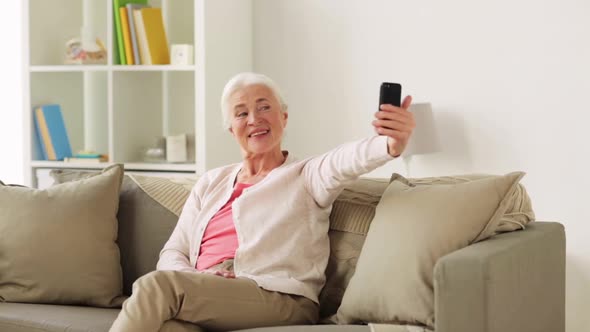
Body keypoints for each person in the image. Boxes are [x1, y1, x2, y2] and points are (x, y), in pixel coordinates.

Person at [109, 72, 415, 332]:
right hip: (204, 291)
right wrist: (196, 278)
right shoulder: (211, 182)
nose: (254, 119)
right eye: (241, 113)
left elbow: (345, 160)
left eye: (264, 107)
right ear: (231, 128)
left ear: (283, 117)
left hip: (279, 297)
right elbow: (174, 251)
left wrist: (388, 144)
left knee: (155, 286)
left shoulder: (307, 175)